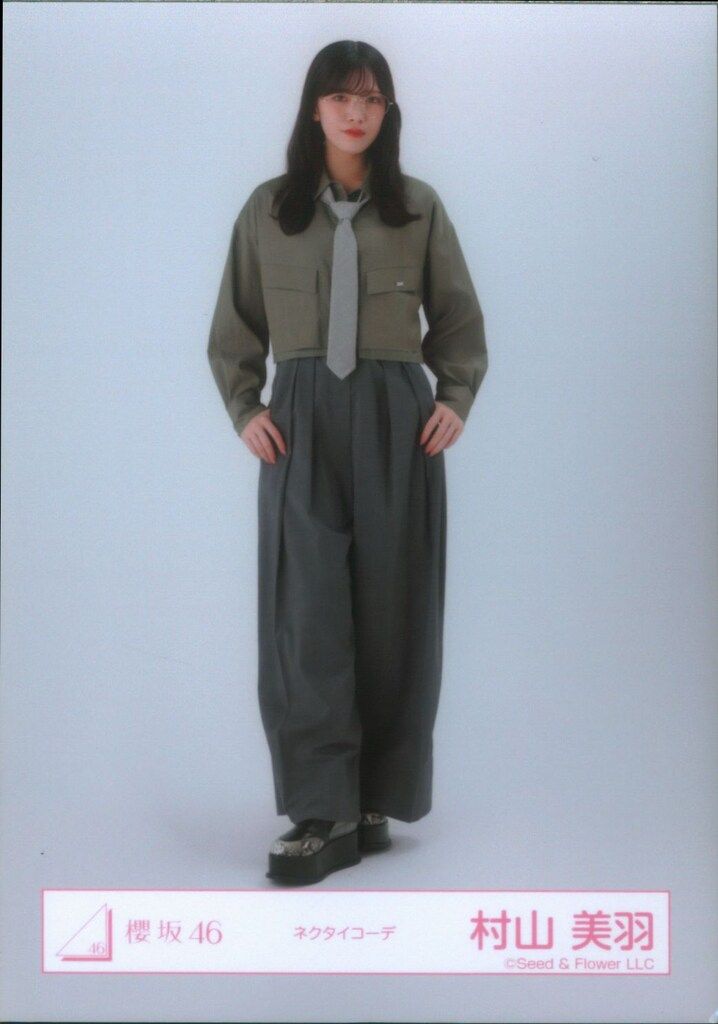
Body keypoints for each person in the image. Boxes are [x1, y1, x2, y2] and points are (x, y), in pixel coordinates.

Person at [207, 40, 488, 885]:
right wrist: (247, 408)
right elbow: (234, 325)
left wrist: (455, 397)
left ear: (388, 110)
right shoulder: (269, 210)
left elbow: (459, 321)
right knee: (308, 611)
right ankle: (319, 808)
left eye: (371, 99)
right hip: (300, 421)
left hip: (399, 416)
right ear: (315, 108)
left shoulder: (418, 207)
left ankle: (373, 801)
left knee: (395, 604)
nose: (356, 113)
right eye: (340, 98)